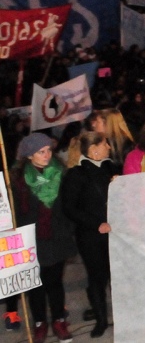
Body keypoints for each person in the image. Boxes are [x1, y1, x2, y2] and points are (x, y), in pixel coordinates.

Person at [11, 134, 76, 342]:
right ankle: (40, 322)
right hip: (32, 239)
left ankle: (59, 320)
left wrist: (69, 228)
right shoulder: (19, 180)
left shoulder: (61, 173)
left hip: (57, 237)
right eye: (42, 151)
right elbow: (15, 212)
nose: (47, 154)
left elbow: (70, 204)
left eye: (49, 150)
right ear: (30, 155)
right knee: (35, 285)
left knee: (55, 282)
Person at [60, 131, 119, 338]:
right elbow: (69, 207)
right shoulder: (76, 175)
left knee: (118, 275)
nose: (109, 148)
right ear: (94, 150)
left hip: (116, 233)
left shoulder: (111, 168)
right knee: (97, 277)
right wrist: (96, 224)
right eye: (105, 144)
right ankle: (101, 320)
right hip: (91, 236)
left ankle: (121, 316)